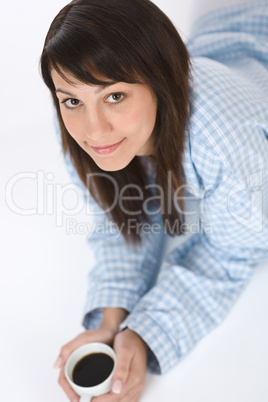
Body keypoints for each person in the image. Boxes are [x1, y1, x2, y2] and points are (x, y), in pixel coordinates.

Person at [40, 0, 268, 401]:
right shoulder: (81, 122)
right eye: (72, 100)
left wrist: (146, 334)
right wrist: (113, 322)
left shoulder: (225, 137)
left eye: (114, 97)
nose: (94, 130)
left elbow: (235, 249)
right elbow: (119, 214)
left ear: (160, 79)